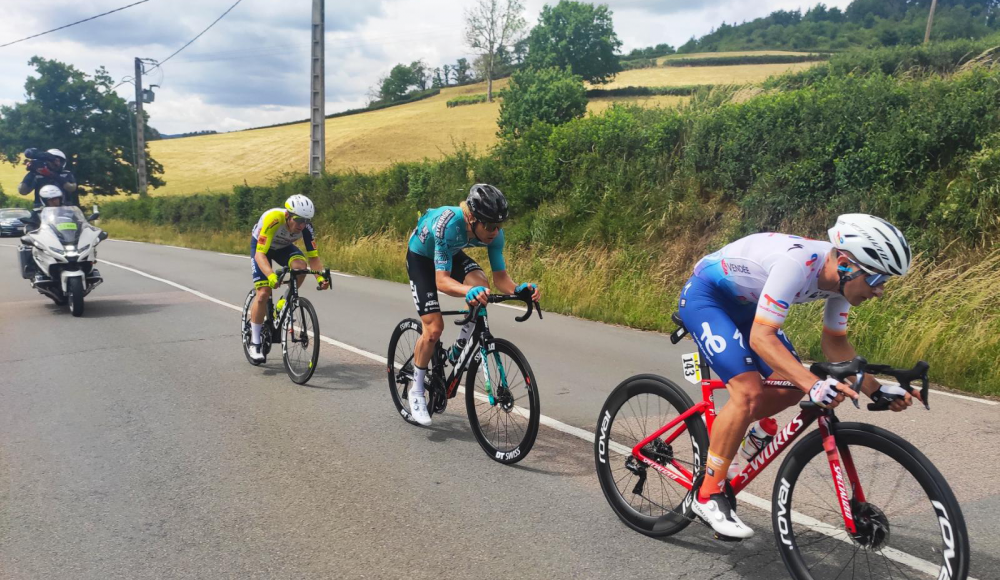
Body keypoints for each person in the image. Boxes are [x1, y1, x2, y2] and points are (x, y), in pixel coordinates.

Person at [677, 214, 918, 539]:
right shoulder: (796, 265)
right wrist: (814, 383)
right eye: (877, 280)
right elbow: (761, 338)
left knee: (791, 387)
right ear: (846, 264)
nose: (880, 292)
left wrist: (876, 390)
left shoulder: (839, 284)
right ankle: (706, 495)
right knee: (748, 393)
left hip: (746, 306)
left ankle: (731, 432)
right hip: (707, 298)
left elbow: (835, 343)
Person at [404, 183, 541, 426]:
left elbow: (501, 279)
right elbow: (442, 281)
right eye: (488, 225)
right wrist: (469, 291)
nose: (494, 231)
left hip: (450, 252)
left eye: (499, 225)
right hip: (421, 257)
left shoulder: (494, 234)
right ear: (471, 217)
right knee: (434, 329)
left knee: (483, 285)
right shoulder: (448, 225)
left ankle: (459, 346)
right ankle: (416, 391)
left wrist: (519, 289)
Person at [247, 194, 330, 363]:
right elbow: (260, 254)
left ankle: (282, 304)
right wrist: (270, 276)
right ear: (288, 215)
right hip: (262, 248)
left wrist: (321, 278)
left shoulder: (306, 227)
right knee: (263, 293)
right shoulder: (273, 219)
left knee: (300, 268)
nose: (302, 225)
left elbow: (313, 257)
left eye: (306, 220)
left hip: (283, 247)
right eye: (298, 220)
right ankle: (255, 343)